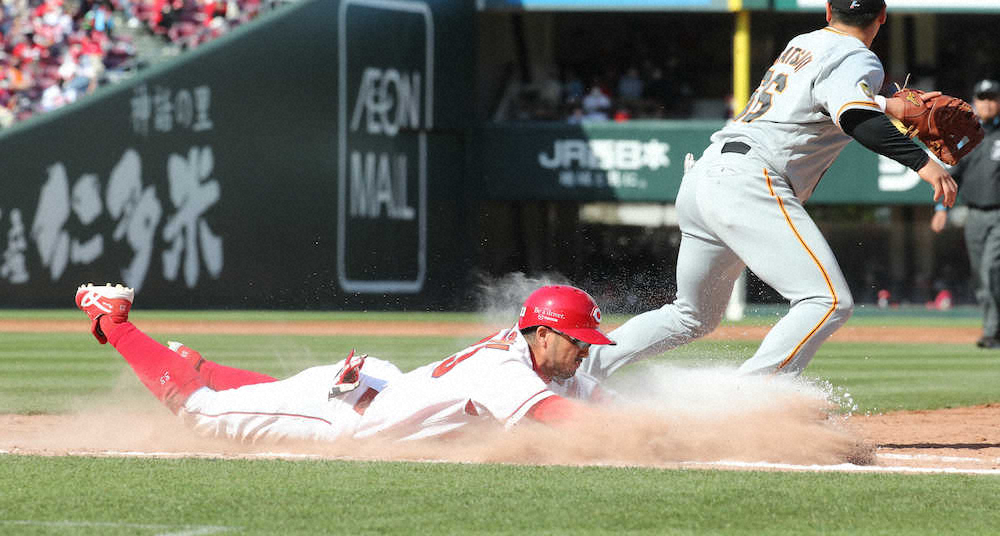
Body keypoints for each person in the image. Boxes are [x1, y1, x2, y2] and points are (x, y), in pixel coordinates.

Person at [580, 0, 958, 381]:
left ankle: (578, 373)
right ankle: (749, 401)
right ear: (882, 16)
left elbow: (825, 95)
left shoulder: (804, 42)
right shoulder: (858, 57)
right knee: (827, 301)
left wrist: (889, 104)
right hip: (747, 181)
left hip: (705, 176)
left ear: (828, 11)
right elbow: (855, 115)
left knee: (689, 315)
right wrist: (924, 163)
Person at [74, 283, 616, 443]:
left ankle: (198, 365)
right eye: (578, 340)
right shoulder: (508, 372)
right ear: (542, 334)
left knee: (271, 394)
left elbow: (595, 399)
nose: (586, 348)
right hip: (350, 414)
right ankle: (112, 321)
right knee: (201, 414)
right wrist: (636, 436)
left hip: (373, 384)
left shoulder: (537, 357)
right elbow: (555, 417)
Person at [930, 79, 1000, 348]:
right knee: (982, 277)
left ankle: (991, 332)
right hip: (974, 215)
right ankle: (992, 327)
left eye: (993, 98)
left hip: (998, 215)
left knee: (991, 269)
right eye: (983, 98)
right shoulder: (966, 136)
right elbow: (951, 176)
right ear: (974, 101)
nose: (988, 103)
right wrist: (940, 208)